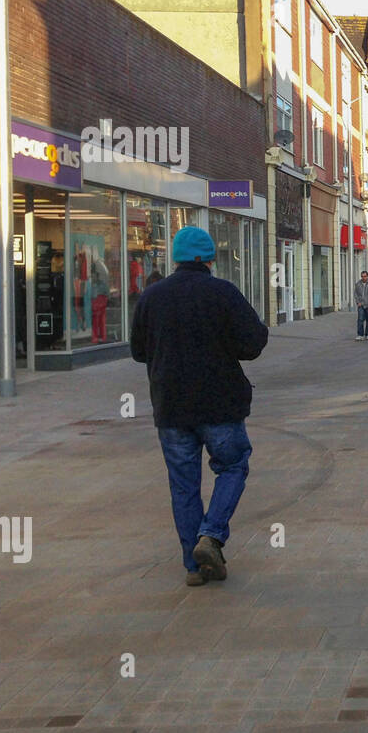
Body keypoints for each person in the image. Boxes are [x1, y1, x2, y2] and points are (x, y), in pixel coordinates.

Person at [129, 226, 268, 587]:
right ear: (209, 259)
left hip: (171, 406)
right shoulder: (223, 292)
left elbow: (138, 351)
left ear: (174, 257)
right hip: (219, 403)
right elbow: (253, 343)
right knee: (234, 466)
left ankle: (194, 566)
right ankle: (211, 535)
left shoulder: (152, 296)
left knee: (183, 485)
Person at [354, 269, 368, 340]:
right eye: (362, 276)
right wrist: (358, 302)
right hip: (361, 305)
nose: (363, 278)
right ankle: (360, 334)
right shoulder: (358, 284)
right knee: (360, 319)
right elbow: (355, 294)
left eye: (365, 276)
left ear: (367, 276)